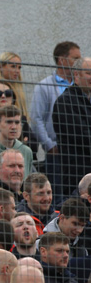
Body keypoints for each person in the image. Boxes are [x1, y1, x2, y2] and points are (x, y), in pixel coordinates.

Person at [30, 41, 80, 160]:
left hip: (81, 151)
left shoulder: (82, 85)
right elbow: (36, 119)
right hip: (57, 152)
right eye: (75, 59)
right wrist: (49, 146)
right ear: (61, 60)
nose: (79, 63)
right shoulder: (44, 86)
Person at [52, 56, 91, 195]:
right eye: (89, 73)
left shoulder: (87, 101)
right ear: (76, 74)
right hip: (76, 177)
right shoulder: (66, 102)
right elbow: (83, 138)